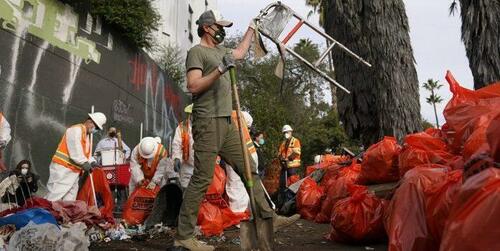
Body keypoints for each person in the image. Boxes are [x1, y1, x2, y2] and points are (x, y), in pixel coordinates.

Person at [174, 10, 291, 250]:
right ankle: (184, 236)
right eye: (219, 26)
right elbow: (193, 85)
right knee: (202, 179)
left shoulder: (221, 51)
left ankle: (268, 216)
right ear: (207, 28)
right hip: (207, 121)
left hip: (227, 123)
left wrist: (251, 27)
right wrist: (219, 70)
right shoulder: (197, 52)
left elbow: (238, 53)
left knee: (249, 168)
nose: (222, 30)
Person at [45, 112, 107, 201]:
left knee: (70, 199)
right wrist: (84, 163)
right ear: (90, 122)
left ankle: (63, 214)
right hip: (63, 169)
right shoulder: (76, 130)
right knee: (55, 194)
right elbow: (75, 151)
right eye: (96, 127)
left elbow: (86, 154)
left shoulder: (86, 135)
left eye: (97, 128)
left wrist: (92, 162)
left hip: (73, 171)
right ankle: (44, 213)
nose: (95, 130)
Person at [172, 104, 194, 189]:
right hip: (187, 165)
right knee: (185, 189)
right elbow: (177, 144)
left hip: (204, 166)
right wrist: (176, 158)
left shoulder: (208, 126)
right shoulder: (183, 127)